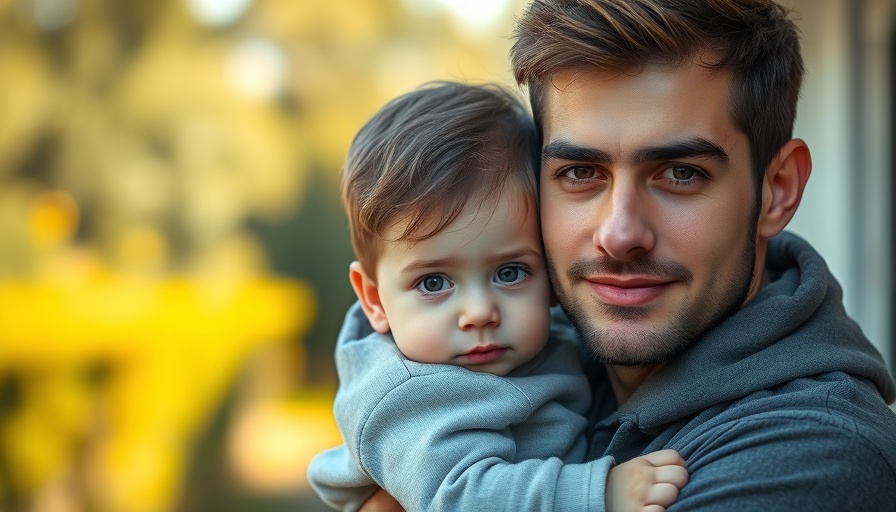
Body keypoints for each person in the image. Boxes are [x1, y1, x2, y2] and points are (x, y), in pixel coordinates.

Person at [357, 0, 896, 510]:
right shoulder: (527, 347)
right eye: (580, 173)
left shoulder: (810, 457)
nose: (619, 235)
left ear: (776, 190)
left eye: (681, 174)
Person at [306, 81, 689, 512]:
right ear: (374, 300)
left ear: (550, 273)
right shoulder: (407, 396)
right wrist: (595, 493)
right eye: (434, 283)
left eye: (510, 273)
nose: (479, 313)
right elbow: (459, 497)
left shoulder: (550, 340)